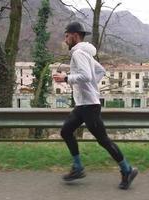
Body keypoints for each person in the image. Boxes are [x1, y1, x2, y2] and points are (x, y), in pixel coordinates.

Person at [52, 21, 138, 190]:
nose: (65, 39)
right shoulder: (85, 53)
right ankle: (78, 168)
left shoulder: (78, 53)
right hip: (83, 105)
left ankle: (127, 169)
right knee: (66, 131)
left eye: (67, 35)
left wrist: (66, 79)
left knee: (103, 140)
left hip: (89, 106)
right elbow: (99, 72)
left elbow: (85, 75)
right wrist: (91, 87)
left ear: (75, 35)